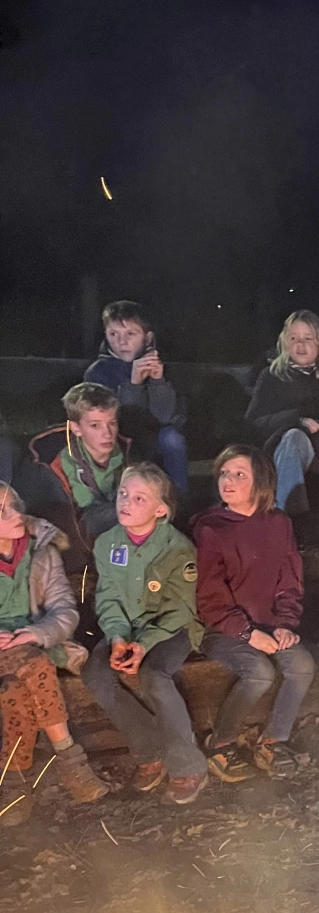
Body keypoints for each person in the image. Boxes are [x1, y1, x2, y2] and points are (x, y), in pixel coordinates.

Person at [82, 464, 208, 804]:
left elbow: (181, 609)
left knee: (154, 674)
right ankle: (149, 749)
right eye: (123, 494)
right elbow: (107, 597)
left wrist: (144, 644)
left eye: (139, 498)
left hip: (171, 629)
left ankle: (188, 766)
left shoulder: (177, 549)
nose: (127, 502)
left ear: (160, 510)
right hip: (128, 628)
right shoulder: (108, 543)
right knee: (96, 673)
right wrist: (118, 637)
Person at [192, 446, 314, 781]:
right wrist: (248, 634)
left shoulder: (278, 524)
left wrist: (286, 624)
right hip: (223, 630)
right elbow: (210, 598)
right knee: (259, 672)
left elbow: (289, 579)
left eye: (239, 475)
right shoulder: (212, 529)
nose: (227, 481)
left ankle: (273, 740)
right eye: (223, 473)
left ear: (260, 482)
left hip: (270, 624)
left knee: (303, 665)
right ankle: (220, 743)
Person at [0, 482, 109, 828]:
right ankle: (71, 762)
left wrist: (37, 633)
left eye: (16, 504)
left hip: (37, 645)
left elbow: (65, 610)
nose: (17, 514)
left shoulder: (41, 552)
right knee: (36, 666)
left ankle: (14, 785)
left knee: (18, 687)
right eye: (3, 512)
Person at [245, 311, 319, 515]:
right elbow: (253, 422)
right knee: (294, 438)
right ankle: (284, 517)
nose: (300, 345)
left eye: (308, 339)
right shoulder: (271, 377)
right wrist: (297, 419)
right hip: (287, 446)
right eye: (294, 338)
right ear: (285, 342)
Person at [84, 300, 189, 496]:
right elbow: (121, 420)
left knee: (172, 440)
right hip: (118, 435)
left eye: (130, 334)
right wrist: (133, 385)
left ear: (147, 338)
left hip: (155, 434)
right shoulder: (98, 373)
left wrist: (158, 382)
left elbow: (166, 417)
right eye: (113, 334)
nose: (121, 342)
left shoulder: (163, 367)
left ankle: (179, 501)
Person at [27, 382, 130, 549]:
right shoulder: (60, 462)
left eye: (112, 423)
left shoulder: (128, 452)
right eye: (95, 425)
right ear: (76, 428)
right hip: (83, 532)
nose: (107, 433)